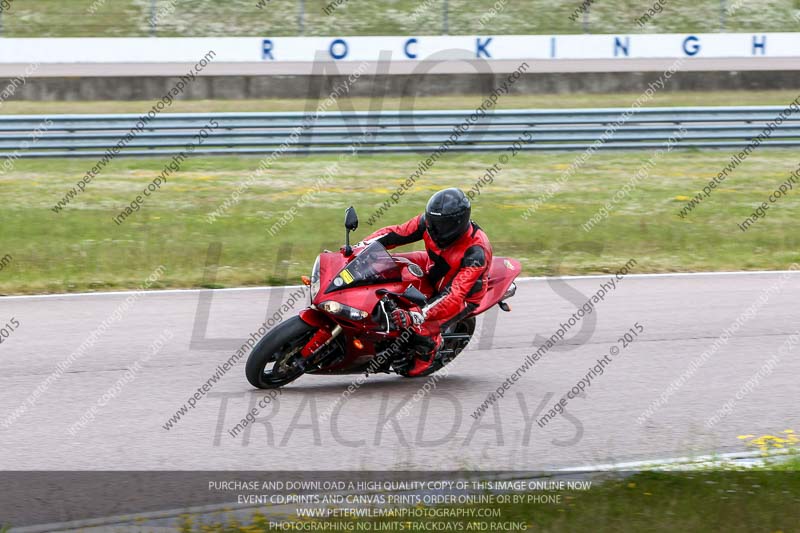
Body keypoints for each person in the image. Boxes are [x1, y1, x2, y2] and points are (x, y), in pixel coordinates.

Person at [361, 188, 493, 376]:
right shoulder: (429, 223)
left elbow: (453, 295)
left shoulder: (475, 253)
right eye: (433, 223)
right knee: (385, 266)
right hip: (433, 265)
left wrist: (417, 314)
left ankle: (430, 351)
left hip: (462, 295)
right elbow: (395, 233)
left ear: (457, 224)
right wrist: (362, 248)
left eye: (442, 226)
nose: (434, 230)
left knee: (419, 328)